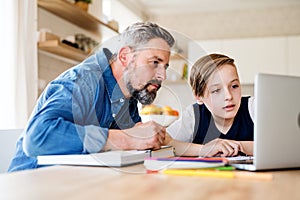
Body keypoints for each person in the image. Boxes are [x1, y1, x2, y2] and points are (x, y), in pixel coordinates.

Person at [8, 22, 175, 172]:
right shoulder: (83, 80)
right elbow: (37, 138)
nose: (162, 75)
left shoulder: (128, 92)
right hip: (33, 183)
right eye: (155, 62)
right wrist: (127, 139)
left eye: (165, 66)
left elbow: (134, 146)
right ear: (125, 56)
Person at [165, 53, 254, 157]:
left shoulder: (253, 107)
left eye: (234, 86)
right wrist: (203, 150)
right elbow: (164, 143)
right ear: (199, 96)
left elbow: (277, 145)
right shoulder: (194, 116)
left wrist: (235, 146)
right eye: (216, 90)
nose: (228, 96)